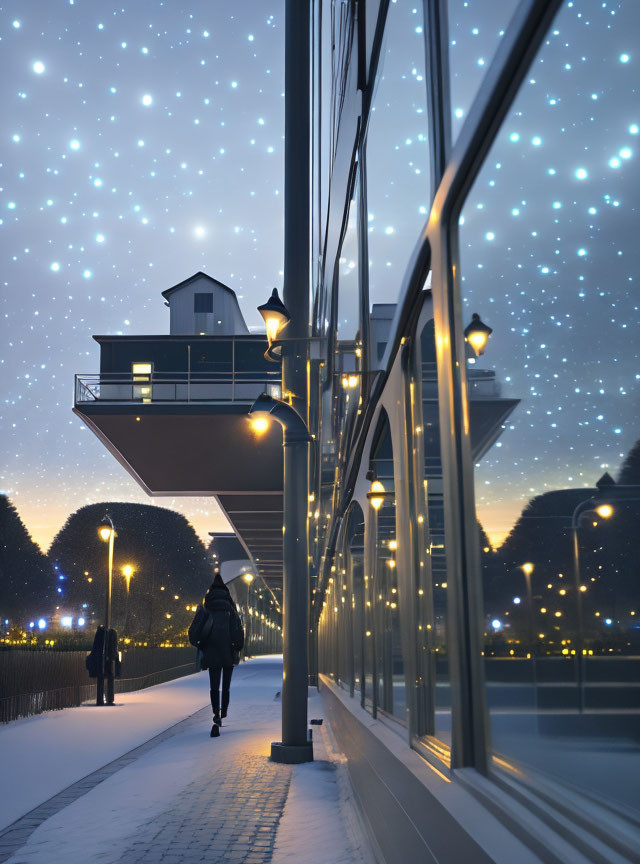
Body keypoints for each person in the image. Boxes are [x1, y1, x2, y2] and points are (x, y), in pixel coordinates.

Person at [199, 570, 244, 735]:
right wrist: (237, 648)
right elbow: (237, 631)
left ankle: (215, 713)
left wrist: (202, 645)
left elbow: (196, 629)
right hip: (227, 651)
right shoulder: (230, 609)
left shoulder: (207, 607)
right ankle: (224, 710)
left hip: (211, 650)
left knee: (214, 685)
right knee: (226, 685)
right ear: (226, 592)